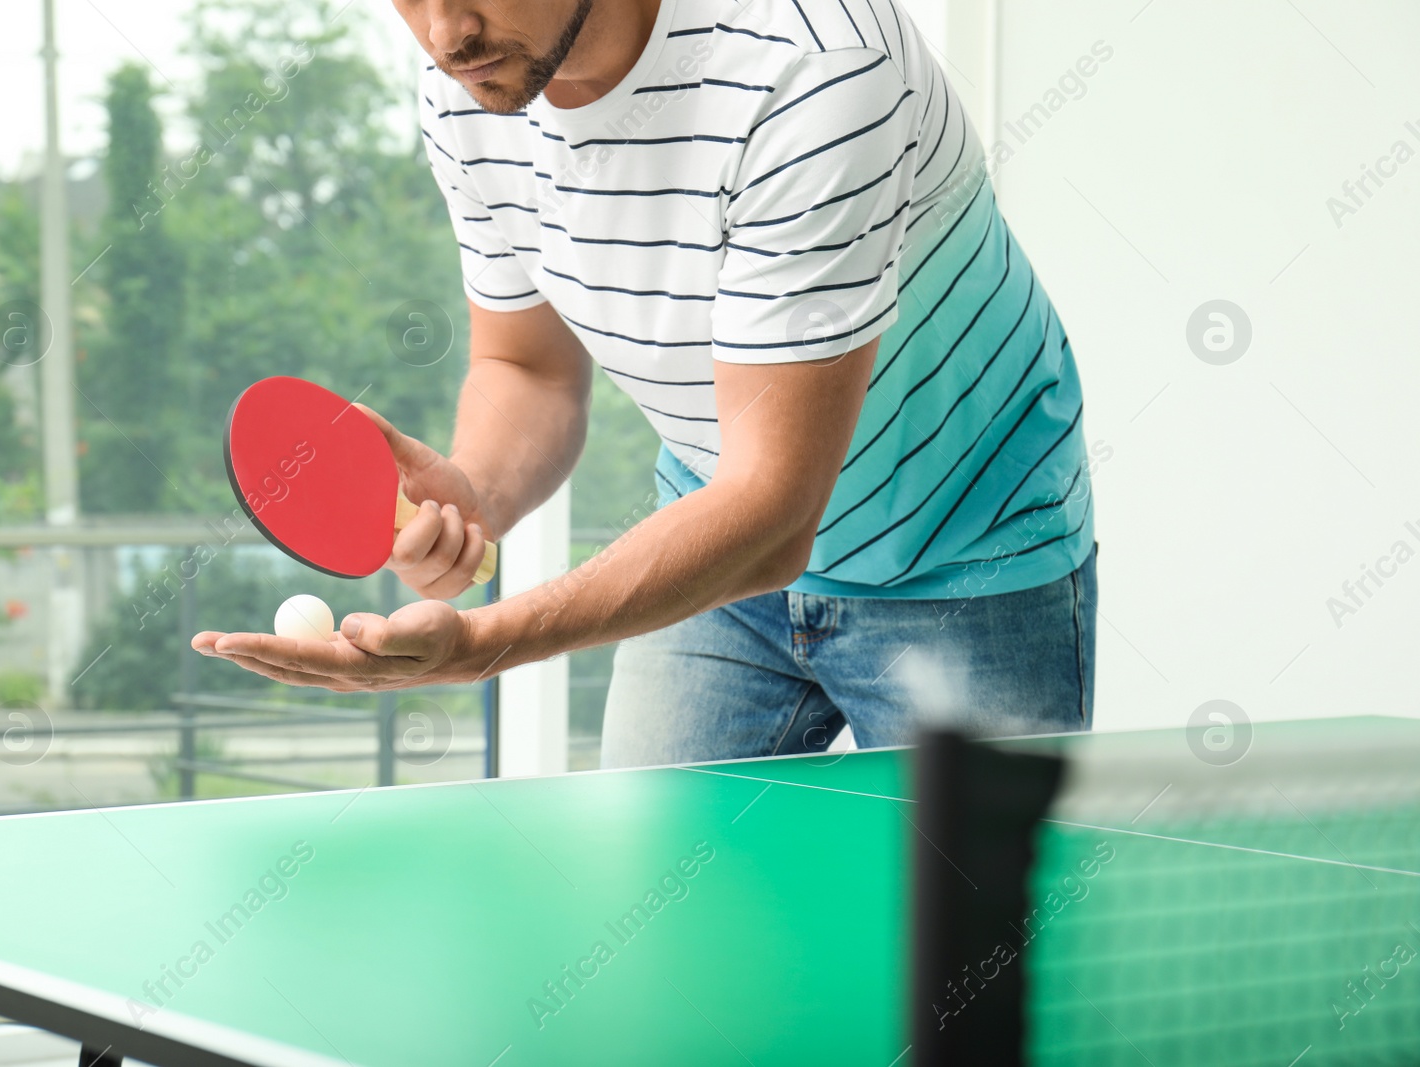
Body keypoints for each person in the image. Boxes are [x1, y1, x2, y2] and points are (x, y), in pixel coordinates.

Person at [193, 0, 1099, 765]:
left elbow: (775, 512)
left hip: (963, 551)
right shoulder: (472, 82)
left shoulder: (814, 65)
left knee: (969, 960)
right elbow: (530, 369)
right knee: (656, 933)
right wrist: (472, 495)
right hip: (711, 545)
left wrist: (483, 643)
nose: (443, 31)